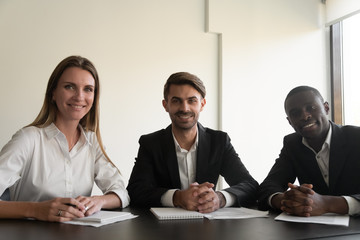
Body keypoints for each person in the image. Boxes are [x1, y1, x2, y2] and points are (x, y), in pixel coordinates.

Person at [0, 56, 129, 222]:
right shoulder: (28, 139)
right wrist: (36, 209)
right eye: (70, 87)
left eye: (88, 89)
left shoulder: (92, 142)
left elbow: (121, 193)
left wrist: (98, 201)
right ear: (53, 93)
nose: (79, 96)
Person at [127, 72, 258, 213]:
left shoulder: (219, 141)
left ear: (202, 104)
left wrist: (219, 199)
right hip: (163, 230)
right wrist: (177, 197)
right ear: (166, 105)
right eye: (176, 101)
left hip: (208, 228)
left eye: (192, 100)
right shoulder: (151, 143)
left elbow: (249, 185)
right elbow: (136, 191)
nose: (184, 108)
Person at [258, 85, 360, 217]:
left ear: (326, 108)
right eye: (295, 113)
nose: (305, 116)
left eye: (311, 108)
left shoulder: (356, 138)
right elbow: (269, 186)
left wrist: (327, 204)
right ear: (290, 121)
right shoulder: (292, 144)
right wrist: (286, 200)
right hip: (313, 231)